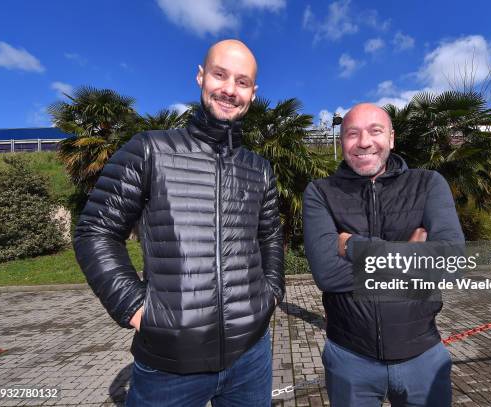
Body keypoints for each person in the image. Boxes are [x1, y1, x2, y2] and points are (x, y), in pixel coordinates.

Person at [74, 39, 284, 407]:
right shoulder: (149, 150)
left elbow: (269, 237)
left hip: (251, 356)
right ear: (201, 77)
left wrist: (271, 294)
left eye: (242, 81)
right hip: (168, 365)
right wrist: (135, 308)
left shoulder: (259, 169)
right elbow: (96, 230)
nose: (230, 89)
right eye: (220, 75)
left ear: (253, 92)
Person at [303, 103, 464, 406]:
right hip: (349, 359)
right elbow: (326, 272)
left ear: (391, 138)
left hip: (423, 357)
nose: (364, 142)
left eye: (375, 131)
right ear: (342, 142)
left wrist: (351, 247)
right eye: (352, 133)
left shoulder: (428, 184)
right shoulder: (320, 192)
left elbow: (451, 262)